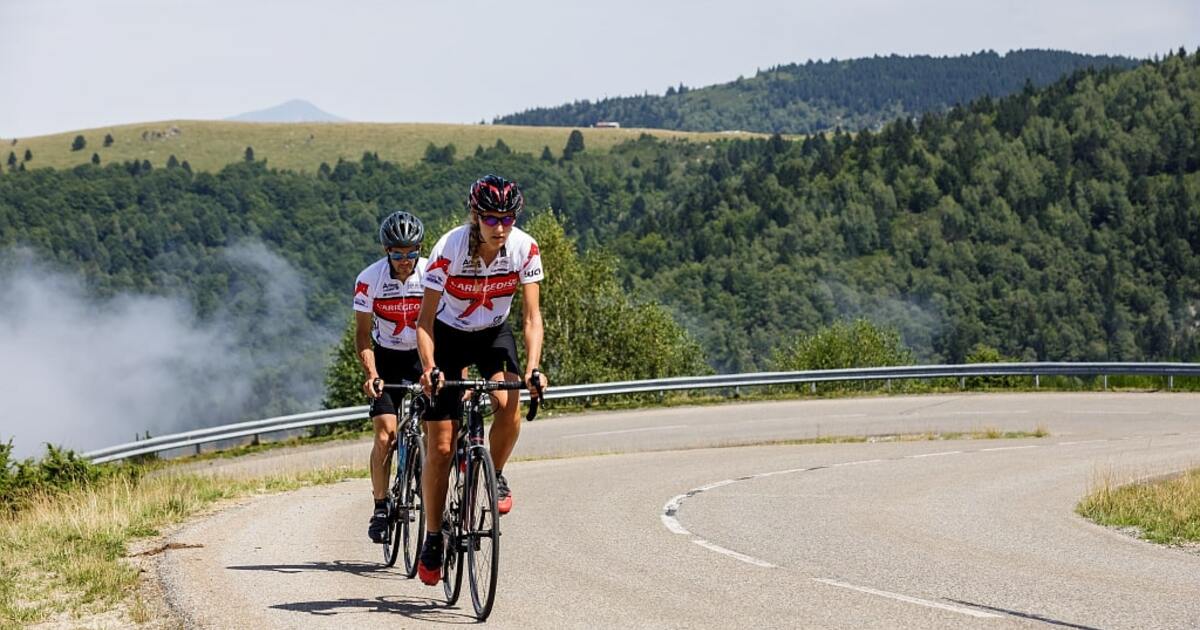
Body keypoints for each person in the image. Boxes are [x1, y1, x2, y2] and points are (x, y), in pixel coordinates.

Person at [415, 174, 548, 585]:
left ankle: (498, 470)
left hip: (493, 333)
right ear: (476, 215)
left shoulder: (524, 248)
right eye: (491, 217)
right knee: (439, 447)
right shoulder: (448, 248)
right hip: (450, 336)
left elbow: (530, 317)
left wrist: (532, 368)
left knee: (510, 404)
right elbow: (423, 322)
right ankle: (434, 536)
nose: (500, 226)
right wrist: (430, 368)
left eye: (508, 217)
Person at [354, 210, 427, 543]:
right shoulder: (369, 280)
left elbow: (447, 327)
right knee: (385, 435)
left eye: (412, 252)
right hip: (386, 359)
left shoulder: (431, 275)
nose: (405, 260)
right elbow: (362, 337)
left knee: (438, 430)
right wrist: (371, 374)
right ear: (387, 251)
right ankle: (381, 505)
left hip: (422, 355)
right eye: (398, 254)